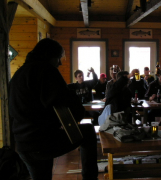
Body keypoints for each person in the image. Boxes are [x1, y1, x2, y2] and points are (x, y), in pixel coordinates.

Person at [8, 38, 98, 180]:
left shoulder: (19, 73)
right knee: (87, 132)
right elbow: (75, 110)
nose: (60, 62)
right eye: (58, 58)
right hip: (41, 142)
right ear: (49, 56)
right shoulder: (46, 70)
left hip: (22, 143)